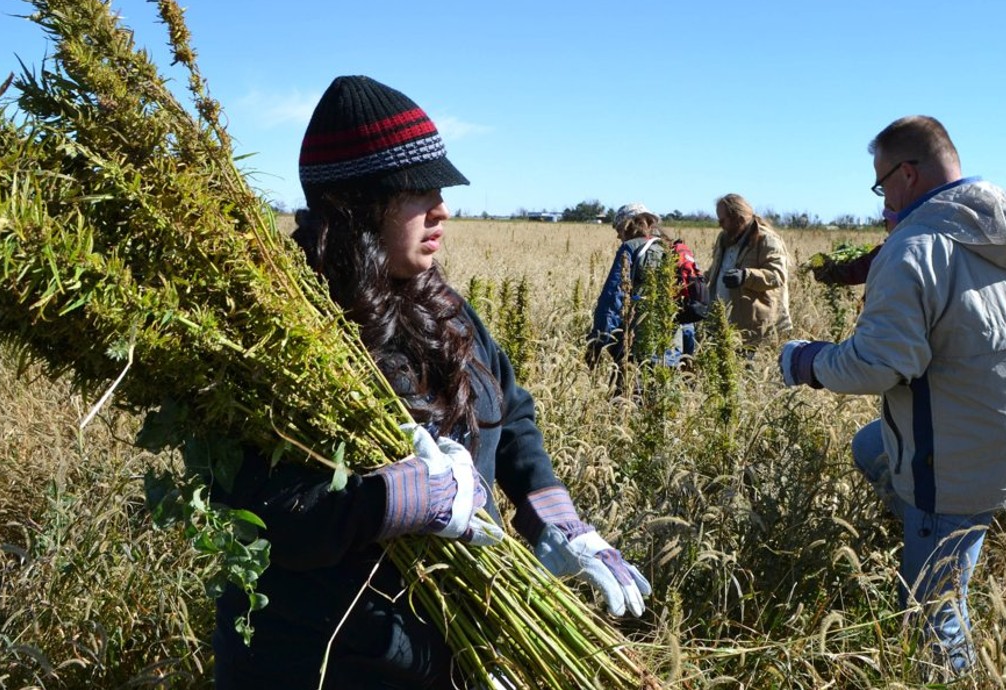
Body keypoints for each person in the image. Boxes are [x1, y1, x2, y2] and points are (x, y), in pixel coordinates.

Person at [210, 75, 650, 689]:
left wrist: (558, 522)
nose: (442, 208)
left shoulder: (439, 303)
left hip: (444, 649)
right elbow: (256, 507)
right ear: (358, 204)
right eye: (419, 191)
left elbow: (512, 413)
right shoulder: (281, 326)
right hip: (321, 663)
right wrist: (387, 502)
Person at [778, 115, 1006, 676]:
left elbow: (878, 365)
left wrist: (805, 361)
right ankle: (933, 533)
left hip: (950, 462)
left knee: (929, 615)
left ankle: (944, 634)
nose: (881, 199)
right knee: (871, 447)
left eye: (881, 183)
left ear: (907, 175)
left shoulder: (914, 248)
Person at [586, 202, 706, 375]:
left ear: (627, 225)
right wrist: (687, 353)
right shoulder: (672, 249)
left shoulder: (631, 248)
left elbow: (612, 300)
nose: (618, 237)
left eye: (618, 230)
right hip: (671, 349)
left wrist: (598, 341)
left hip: (638, 347)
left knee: (630, 397)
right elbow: (684, 307)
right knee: (662, 398)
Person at [704, 193, 792, 345]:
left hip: (753, 327)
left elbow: (777, 275)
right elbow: (716, 269)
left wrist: (746, 276)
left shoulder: (766, 240)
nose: (720, 225)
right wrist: (699, 279)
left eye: (723, 220)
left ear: (738, 218)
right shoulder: (724, 238)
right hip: (722, 321)